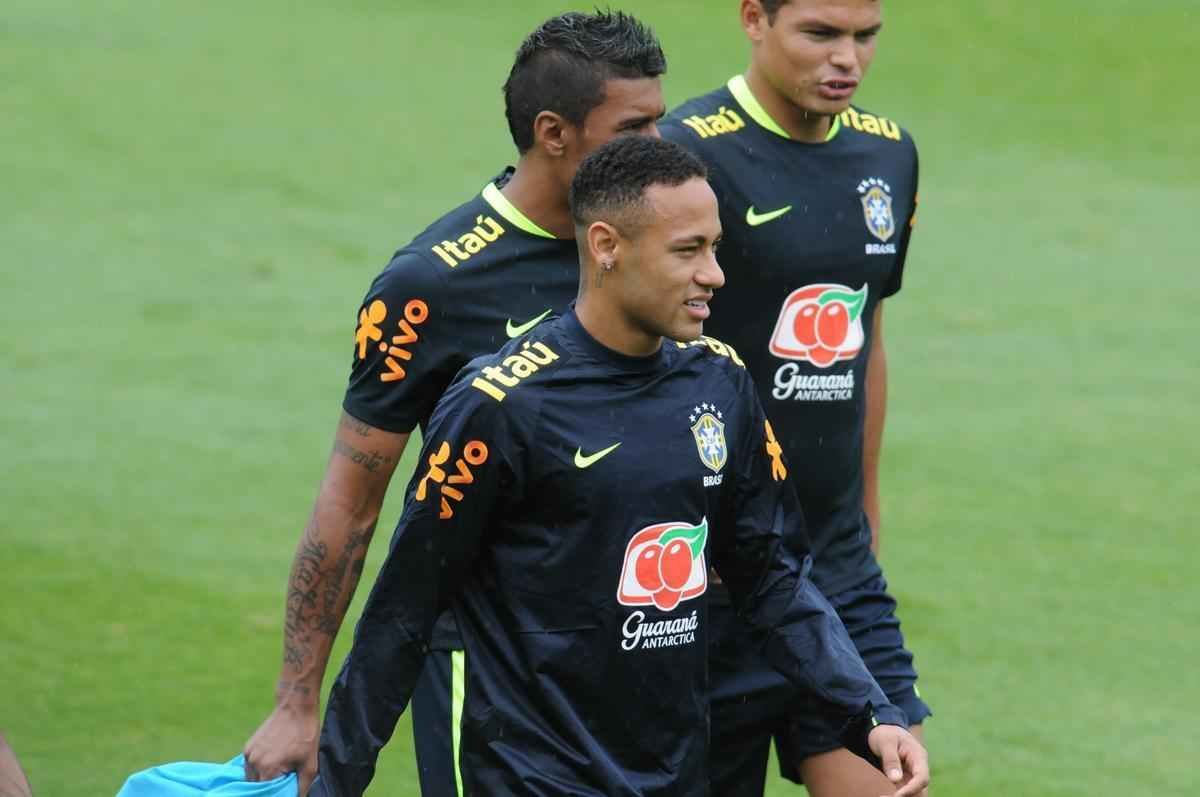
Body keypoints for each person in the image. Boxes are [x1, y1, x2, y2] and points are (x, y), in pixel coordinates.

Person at [311, 135, 927, 797]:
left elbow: (773, 579)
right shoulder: (500, 405)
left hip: (672, 771)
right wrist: (333, 785)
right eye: (688, 250)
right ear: (606, 245)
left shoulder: (720, 382)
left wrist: (869, 710)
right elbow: (402, 615)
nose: (715, 273)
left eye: (715, 247)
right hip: (529, 775)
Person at [242, 11, 668, 795]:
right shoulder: (433, 286)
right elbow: (353, 499)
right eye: (633, 127)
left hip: (643, 639)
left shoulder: (661, 245)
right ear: (554, 132)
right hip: (495, 667)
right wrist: (298, 702)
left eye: (660, 122)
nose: (658, 149)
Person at [659, 1, 931, 795]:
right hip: (706, 577)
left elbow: (863, 341)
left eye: (865, 36)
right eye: (820, 34)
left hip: (835, 569)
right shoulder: (683, 155)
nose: (846, 58)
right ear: (754, 18)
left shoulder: (889, 156)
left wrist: (865, 520)